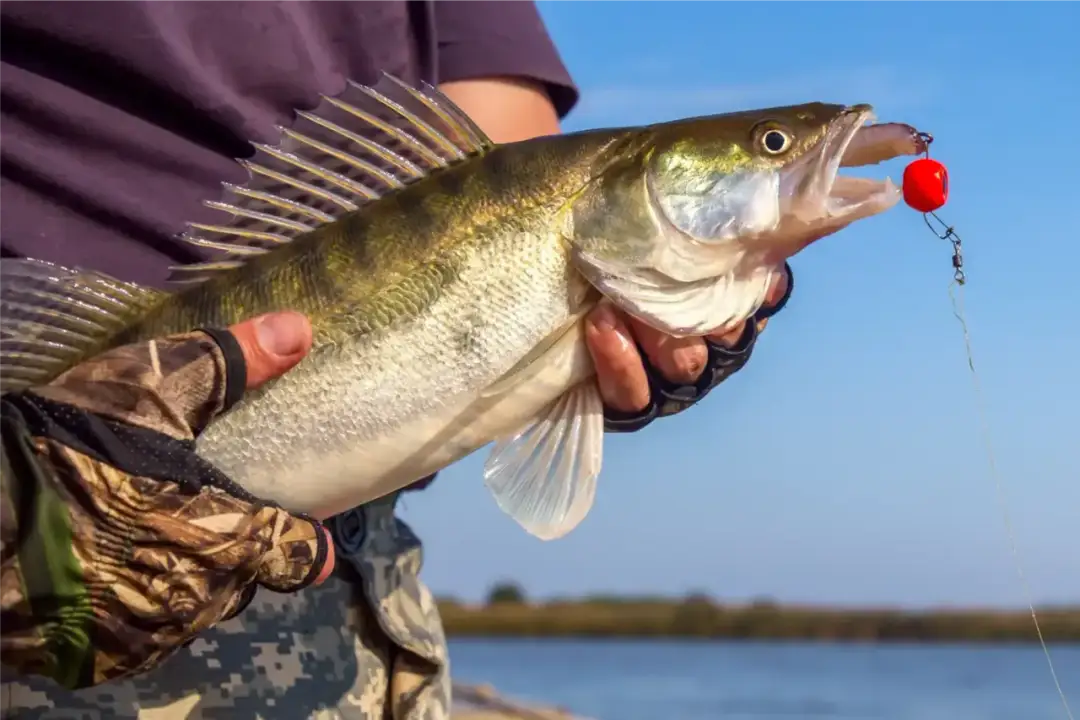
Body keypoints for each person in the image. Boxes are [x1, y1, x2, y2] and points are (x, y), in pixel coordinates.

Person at [0, 0, 793, 717]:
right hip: (49, 556)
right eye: (772, 144)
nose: (790, 157)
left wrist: (636, 337)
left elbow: (511, 149)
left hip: (363, 604)